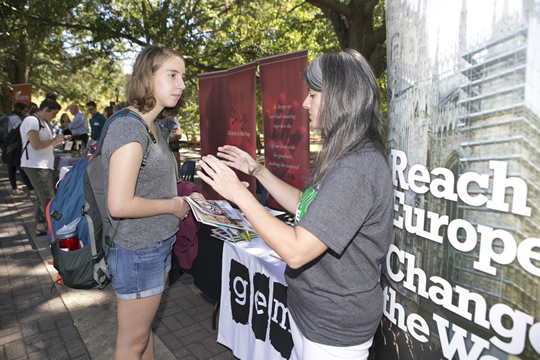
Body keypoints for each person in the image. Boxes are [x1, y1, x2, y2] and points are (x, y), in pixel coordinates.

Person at [198, 49, 394, 360]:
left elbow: (297, 250)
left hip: (333, 328)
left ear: (340, 99)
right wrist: (258, 171)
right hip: (315, 315)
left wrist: (238, 193)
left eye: (314, 95)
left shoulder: (356, 168)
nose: (305, 103)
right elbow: (307, 206)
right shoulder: (346, 154)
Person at [102, 45, 205, 359]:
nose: (182, 84)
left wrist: (187, 196)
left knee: (143, 336)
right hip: (138, 250)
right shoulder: (130, 130)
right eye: (172, 75)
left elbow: (154, 187)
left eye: (183, 76)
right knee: (132, 343)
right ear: (147, 78)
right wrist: (174, 206)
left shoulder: (154, 127)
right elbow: (119, 204)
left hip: (156, 246)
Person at [20, 94, 68, 236]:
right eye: (53, 113)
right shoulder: (32, 121)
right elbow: (36, 145)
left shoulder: (43, 122)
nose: (54, 117)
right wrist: (54, 140)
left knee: (42, 195)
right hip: (35, 164)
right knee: (48, 197)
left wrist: (57, 141)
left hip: (42, 164)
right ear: (46, 109)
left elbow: (46, 145)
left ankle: (41, 225)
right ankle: (55, 228)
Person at [6, 102, 35, 197]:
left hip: (9, 144)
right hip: (15, 146)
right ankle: (31, 189)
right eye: (25, 111)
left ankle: (14, 188)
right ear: (20, 110)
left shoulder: (11, 117)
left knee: (12, 167)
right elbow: (21, 131)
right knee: (20, 167)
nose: (26, 113)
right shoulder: (16, 119)